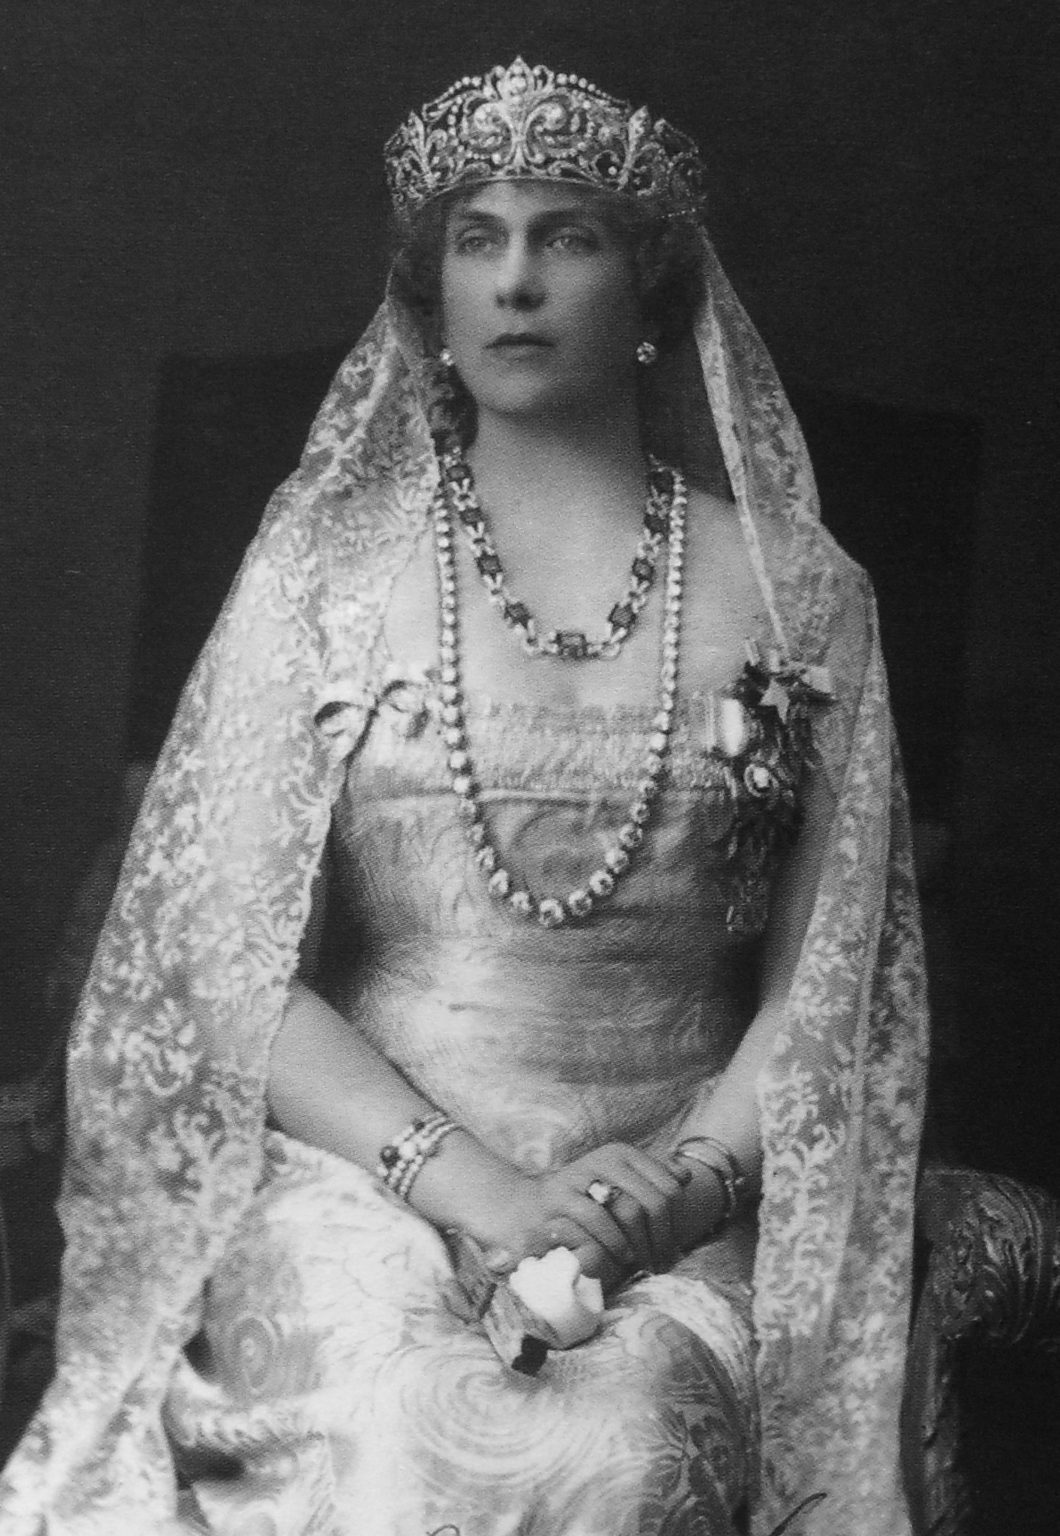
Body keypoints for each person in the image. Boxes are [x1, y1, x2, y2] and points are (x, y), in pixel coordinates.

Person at [0, 59, 929, 1536]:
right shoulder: (324, 572)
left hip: (673, 1187)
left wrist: (678, 1192)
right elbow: (230, 965)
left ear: (651, 290)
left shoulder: (802, 594)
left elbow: (825, 990)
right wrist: (478, 1188)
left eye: (568, 237)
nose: (516, 280)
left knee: (629, 1448)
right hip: (370, 1179)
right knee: (393, 1429)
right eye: (478, 239)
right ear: (431, 295)